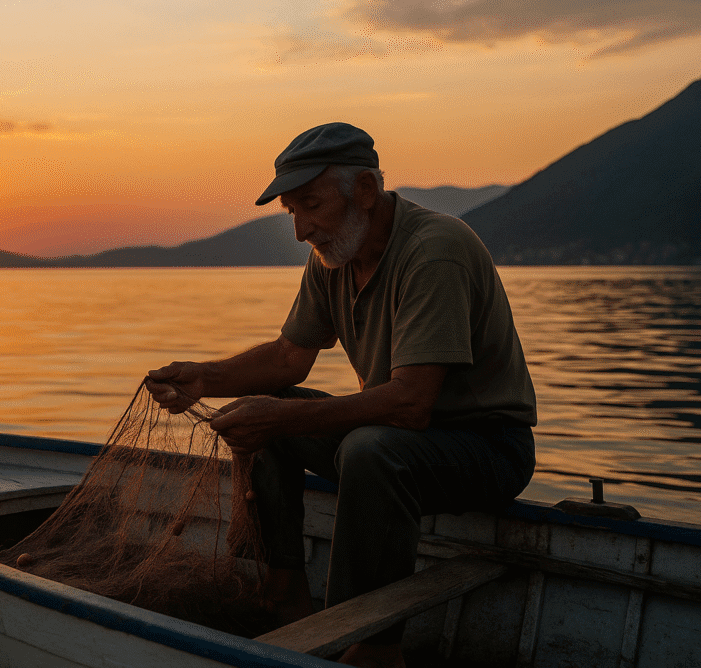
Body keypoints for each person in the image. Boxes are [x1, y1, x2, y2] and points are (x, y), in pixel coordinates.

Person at [146, 122, 536, 668]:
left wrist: (282, 417)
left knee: (364, 449)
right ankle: (286, 595)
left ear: (367, 193)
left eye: (312, 205)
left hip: (486, 448)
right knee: (270, 415)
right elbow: (288, 359)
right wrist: (204, 379)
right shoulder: (333, 258)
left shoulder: (435, 251)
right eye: (292, 212)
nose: (303, 229)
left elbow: (411, 403)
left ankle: (372, 646)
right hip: (396, 435)